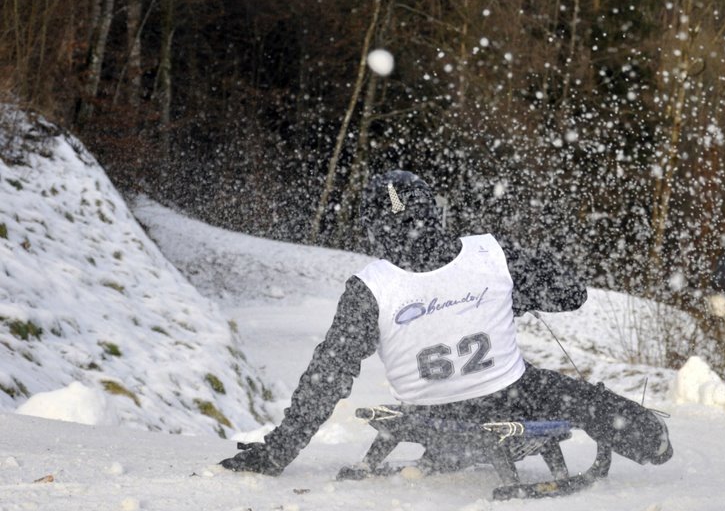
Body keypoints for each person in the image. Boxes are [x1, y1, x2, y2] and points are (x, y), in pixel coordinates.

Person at [220, 169, 671, 477]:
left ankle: (454, 448)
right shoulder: (490, 254)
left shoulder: (368, 288)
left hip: (431, 417)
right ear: (433, 211)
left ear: (374, 230)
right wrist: (517, 292)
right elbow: (572, 295)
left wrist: (280, 450)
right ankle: (653, 443)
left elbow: (329, 375)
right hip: (510, 399)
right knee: (582, 399)